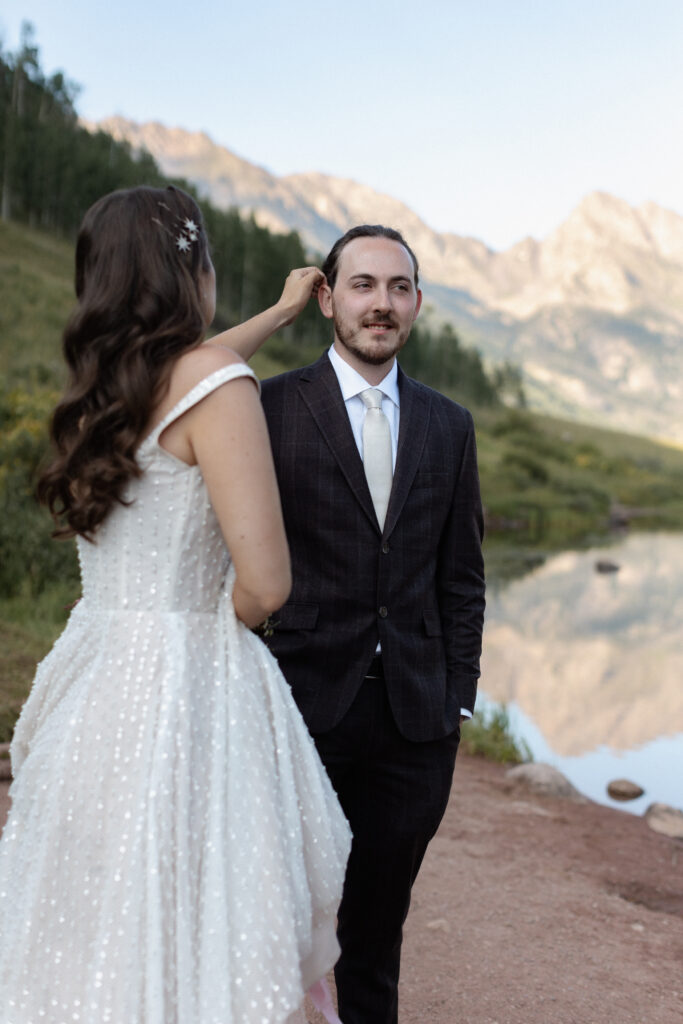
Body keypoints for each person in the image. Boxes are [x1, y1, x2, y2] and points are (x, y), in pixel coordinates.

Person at [0, 184, 351, 1024]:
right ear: (189, 268)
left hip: (91, 676)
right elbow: (265, 584)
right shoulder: (215, 386)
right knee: (198, 906)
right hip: (187, 681)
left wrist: (274, 314)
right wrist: (202, 624)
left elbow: (202, 374)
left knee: (95, 914)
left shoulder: (104, 392)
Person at [260, 225, 486, 1024]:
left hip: (414, 725)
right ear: (327, 298)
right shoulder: (269, 406)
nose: (380, 304)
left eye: (397, 288)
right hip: (298, 710)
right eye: (362, 285)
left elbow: (462, 575)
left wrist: (457, 694)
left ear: (416, 303)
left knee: (376, 930)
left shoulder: (448, 424)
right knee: (279, 925)